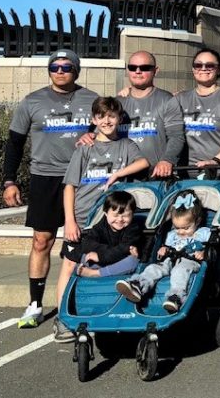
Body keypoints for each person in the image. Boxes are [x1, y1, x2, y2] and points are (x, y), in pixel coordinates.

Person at [2, 49, 98, 330]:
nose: (59, 70)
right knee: (42, 241)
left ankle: (79, 299)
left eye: (66, 66)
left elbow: (110, 129)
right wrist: (9, 181)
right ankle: (35, 303)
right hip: (45, 178)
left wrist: (95, 133)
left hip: (84, 179)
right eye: (54, 66)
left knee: (82, 242)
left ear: (76, 70)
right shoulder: (32, 102)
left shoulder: (91, 99)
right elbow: (14, 144)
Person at [55, 96, 149, 341]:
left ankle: (100, 312)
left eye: (111, 116)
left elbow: (144, 162)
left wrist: (118, 174)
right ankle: (64, 319)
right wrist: (70, 221)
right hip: (84, 217)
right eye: (101, 116)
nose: (107, 121)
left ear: (118, 119)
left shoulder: (126, 145)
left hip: (109, 220)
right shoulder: (85, 147)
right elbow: (69, 187)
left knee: (110, 261)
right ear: (94, 119)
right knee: (69, 264)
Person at [116, 189, 210, 314]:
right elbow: (167, 246)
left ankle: (176, 297)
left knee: (179, 271)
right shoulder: (172, 235)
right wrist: (163, 248)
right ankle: (138, 285)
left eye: (186, 228)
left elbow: (209, 248)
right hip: (170, 260)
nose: (181, 232)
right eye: (177, 228)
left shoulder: (202, 233)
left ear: (197, 221)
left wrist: (203, 252)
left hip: (189, 262)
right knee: (154, 268)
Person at [177, 48, 220, 169]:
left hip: (217, 174)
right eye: (198, 65)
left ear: (219, 69)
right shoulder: (180, 99)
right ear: (193, 69)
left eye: (209, 65)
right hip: (182, 172)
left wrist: (215, 161)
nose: (203, 68)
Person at [116, 51, 185, 176]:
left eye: (144, 68)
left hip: (156, 176)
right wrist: (90, 136)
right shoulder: (117, 103)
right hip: (123, 176)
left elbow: (176, 136)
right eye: (132, 67)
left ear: (155, 71)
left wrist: (167, 160)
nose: (138, 71)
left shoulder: (167, 99)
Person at [74, 191, 144, 279]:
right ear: (106, 213)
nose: (120, 219)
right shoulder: (100, 226)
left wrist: (101, 256)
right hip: (106, 260)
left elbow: (123, 249)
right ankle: (108, 271)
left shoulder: (133, 229)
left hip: (119, 261)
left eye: (125, 216)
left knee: (133, 261)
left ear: (132, 214)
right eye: (115, 215)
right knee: (84, 257)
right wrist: (100, 255)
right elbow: (87, 243)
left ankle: (96, 273)